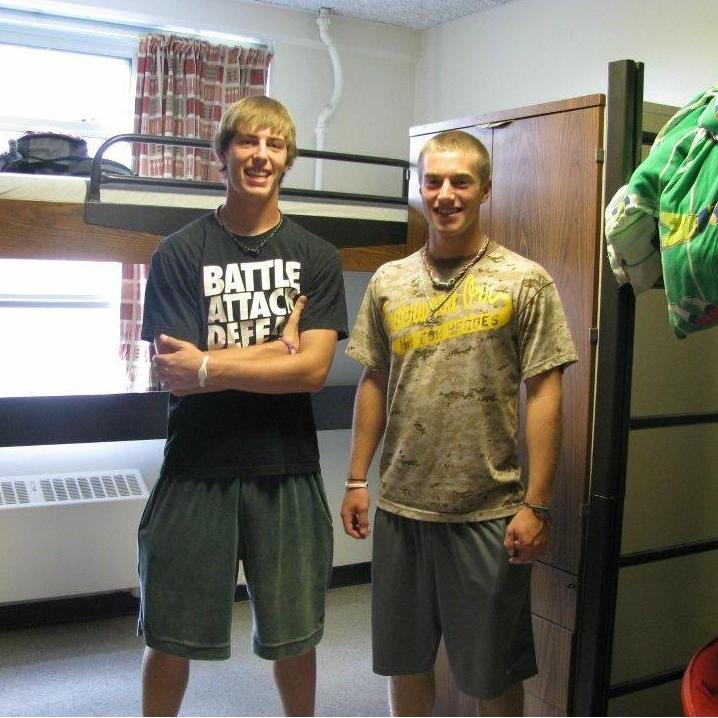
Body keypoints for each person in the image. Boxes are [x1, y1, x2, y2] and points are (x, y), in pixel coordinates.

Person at [341, 130, 578, 717]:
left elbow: (546, 389)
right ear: (420, 189)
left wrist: (538, 503)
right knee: (405, 663)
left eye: (461, 181)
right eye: (434, 181)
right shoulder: (389, 281)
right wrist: (355, 479)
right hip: (402, 507)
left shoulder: (525, 280)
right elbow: (373, 380)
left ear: (485, 189)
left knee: (490, 673)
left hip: (488, 511)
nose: (446, 194)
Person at [139, 95, 347, 717]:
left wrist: (213, 363)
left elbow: (310, 371)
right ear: (223, 153)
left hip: (285, 467)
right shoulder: (178, 252)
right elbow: (176, 374)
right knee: (170, 632)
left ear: (287, 159)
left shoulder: (317, 257)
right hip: (195, 467)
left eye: (274, 145)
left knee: (294, 634)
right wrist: (270, 350)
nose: (260, 156)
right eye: (248, 143)